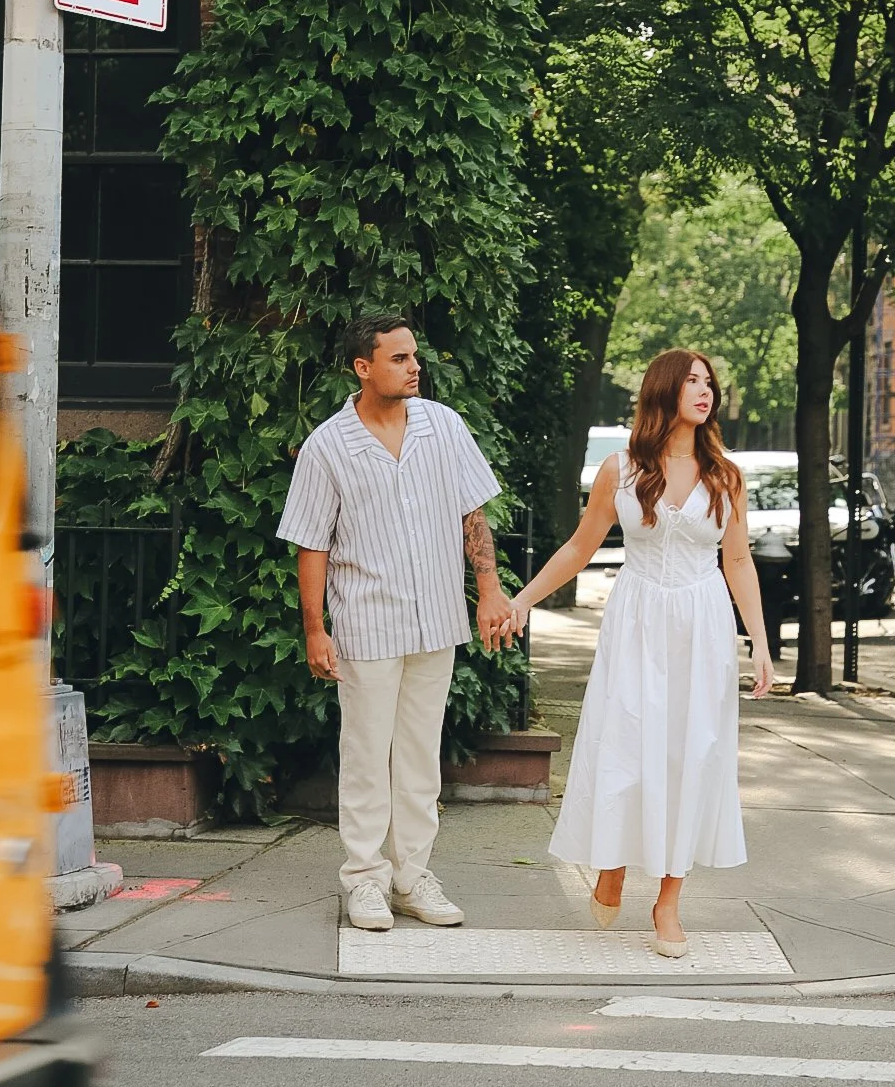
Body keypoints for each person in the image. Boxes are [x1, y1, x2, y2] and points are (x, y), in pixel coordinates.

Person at [509, 349, 773, 957]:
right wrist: (523, 601)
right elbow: (579, 548)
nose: (704, 392)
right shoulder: (622, 469)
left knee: (690, 756)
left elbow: (737, 560)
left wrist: (758, 642)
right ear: (663, 392)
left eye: (710, 382)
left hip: (702, 626)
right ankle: (613, 864)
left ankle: (668, 901)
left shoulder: (726, 476)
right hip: (636, 621)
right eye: (691, 382)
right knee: (625, 745)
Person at [277, 313, 515, 933]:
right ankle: (364, 879)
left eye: (415, 356)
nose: (415, 367)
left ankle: (412, 876)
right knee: (364, 754)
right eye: (399, 359)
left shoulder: (444, 426)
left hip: (437, 618)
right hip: (366, 623)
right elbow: (311, 544)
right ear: (363, 367)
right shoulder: (329, 444)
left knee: (418, 755)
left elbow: (473, 512)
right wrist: (315, 627)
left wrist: (489, 589)